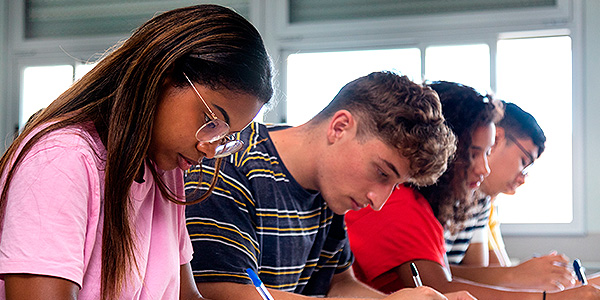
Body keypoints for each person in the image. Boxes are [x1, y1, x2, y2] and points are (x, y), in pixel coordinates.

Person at [0, 4, 273, 300]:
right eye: (210, 121)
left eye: (224, 137)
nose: (208, 149)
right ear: (164, 75)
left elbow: (186, 297)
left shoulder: (164, 171)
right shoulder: (61, 160)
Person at [184, 72, 475, 300]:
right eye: (382, 173)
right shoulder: (230, 161)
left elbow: (339, 284)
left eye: (395, 185)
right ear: (340, 127)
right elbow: (223, 293)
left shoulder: (330, 189)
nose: (378, 202)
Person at [345, 81, 600, 300]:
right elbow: (441, 286)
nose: (484, 169)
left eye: (486, 154)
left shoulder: (426, 208)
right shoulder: (399, 201)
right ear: (445, 148)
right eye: (473, 154)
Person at [445, 102, 577, 292]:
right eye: (524, 162)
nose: (522, 178)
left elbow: (481, 274)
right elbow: (433, 276)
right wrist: (518, 274)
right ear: (497, 139)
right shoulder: (440, 191)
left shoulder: (481, 201)